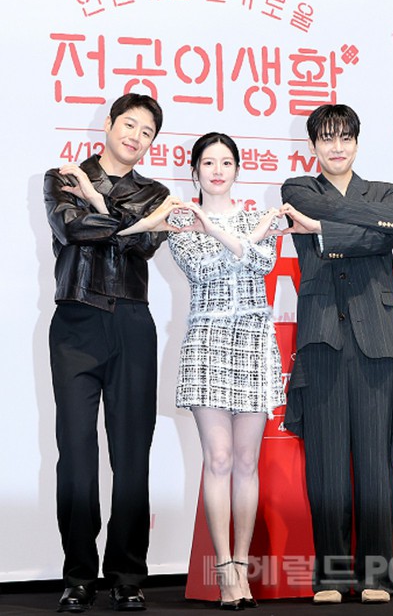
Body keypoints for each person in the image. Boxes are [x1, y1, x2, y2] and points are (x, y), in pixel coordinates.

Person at [280, 104, 393, 605]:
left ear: (358, 143)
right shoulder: (298, 189)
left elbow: (386, 235)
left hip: (376, 337)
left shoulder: (384, 192)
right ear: (313, 145)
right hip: (322, 335)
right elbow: (381, 230)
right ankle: (331, 576)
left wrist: (326, 229)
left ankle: (376, 577)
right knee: (325, 465)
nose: (336, 147)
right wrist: (387, 222)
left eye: (345, 137)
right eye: (327, 138)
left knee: (375, 464)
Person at [44, 93, 183, 612]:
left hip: (131, 324)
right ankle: (78, 575)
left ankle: (127, 574)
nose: (136, 137)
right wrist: (127, 221)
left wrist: (100, 207)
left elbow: (140, 246)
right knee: (76, 455)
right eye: (129, 124)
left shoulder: (158, 193)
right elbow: (70, 228)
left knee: (131, 454)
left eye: (147, 132)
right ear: (108, 124)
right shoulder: (63, 176)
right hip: (75, 323)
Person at [168, 132, 286, 610]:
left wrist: (229, 236)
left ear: (238, 169)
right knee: (217, 459)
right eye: (208, 162)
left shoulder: (258, 218)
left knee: (246, 462)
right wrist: (241, 242)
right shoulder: (181, 220)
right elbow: (204, 271)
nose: (217, 170)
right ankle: (223, 569)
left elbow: (263, 261)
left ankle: (242, 563)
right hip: (208, 342)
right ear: (194, 170)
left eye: (226, 162)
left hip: (254, 340)